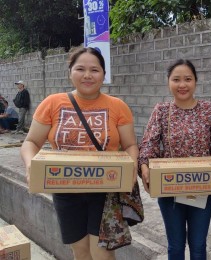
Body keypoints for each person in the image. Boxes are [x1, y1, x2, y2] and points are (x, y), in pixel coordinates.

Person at [20, 47, 143, 260]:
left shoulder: (118, 106)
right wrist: (31, 165)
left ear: (104, 74)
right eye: (80, 69)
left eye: (94, 70)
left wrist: (131, 166)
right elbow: (31, 142)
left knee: (101, 253)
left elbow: (131, 145)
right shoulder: (52, 103)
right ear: (70, 72)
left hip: (106, 190)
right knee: (80, 251)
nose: (87, 75)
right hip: (66, 189)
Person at [139, 59, 211, 260]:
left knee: (198, 245)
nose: (182, 84)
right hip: (169, 188)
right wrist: (145, 165)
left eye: (187, 79)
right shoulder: (161, 111)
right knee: (175, 246)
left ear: (195, 82)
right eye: (176, 79)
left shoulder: (209, 110)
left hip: (202, 186)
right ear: (168, 82)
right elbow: (149, 143)